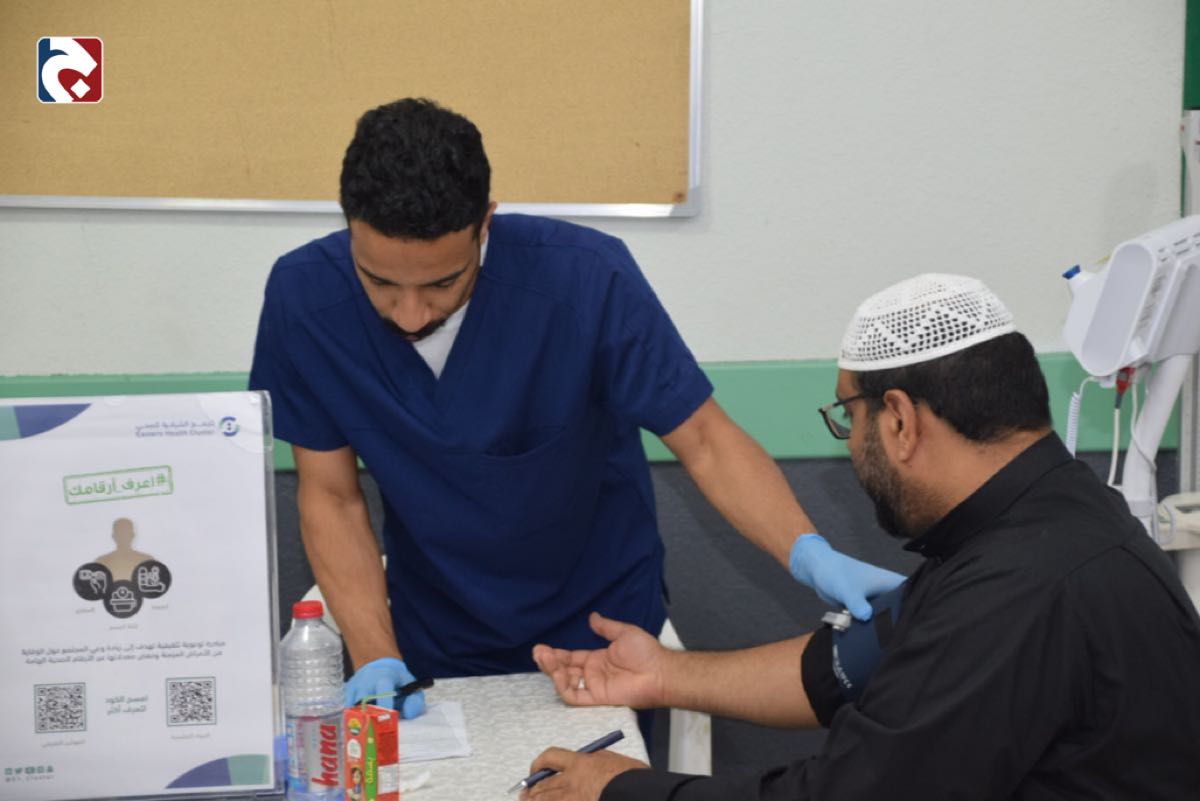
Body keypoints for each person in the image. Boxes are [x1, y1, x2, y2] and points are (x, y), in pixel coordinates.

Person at [248, 98, 902, 718]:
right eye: (380, 282)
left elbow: (704, 438)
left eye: (443, 282)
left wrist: (808, 551)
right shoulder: (304, 298)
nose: (412, 313)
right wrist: (377, 654)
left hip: (603, 637)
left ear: (485, 223)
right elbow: (331, 495)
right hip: (432, 639)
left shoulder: (586, 279)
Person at [526, 274, 1200, 800]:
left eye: (849, 417)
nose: (850, 444)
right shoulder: (1043, 514)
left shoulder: (1017, 589)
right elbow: (841, 669)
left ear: (900, 420)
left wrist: (622, 789)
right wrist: (663, 674)